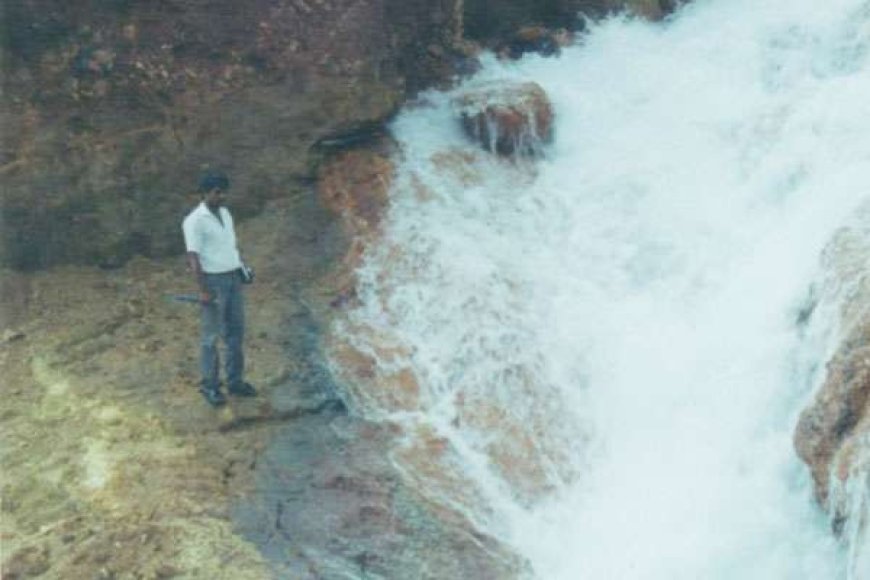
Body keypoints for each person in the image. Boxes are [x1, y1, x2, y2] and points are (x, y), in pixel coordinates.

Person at [182, 170, 257, 406]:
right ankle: (210, 386)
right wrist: (203, 289)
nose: (222, 196)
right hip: (213, 282)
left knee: (235, 332)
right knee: (211, 337)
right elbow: (193, 258)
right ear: (204, 193)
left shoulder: (225, 213)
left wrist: (241, 268)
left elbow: (230, 246)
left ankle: (235, 381)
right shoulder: (194, 221)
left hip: (233, 279)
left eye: (224, 191)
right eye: (217, 192)